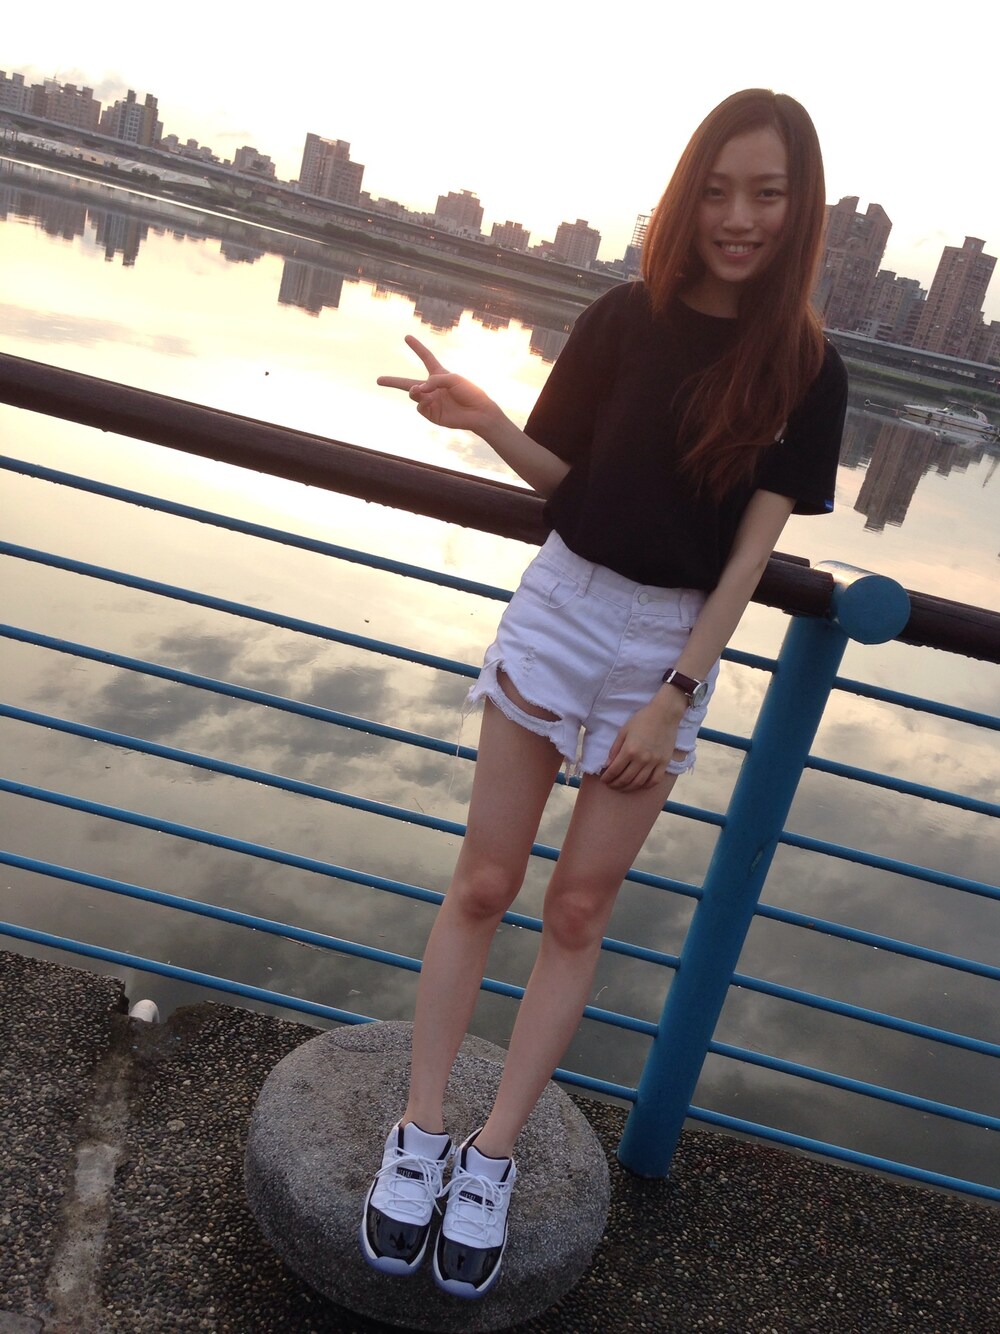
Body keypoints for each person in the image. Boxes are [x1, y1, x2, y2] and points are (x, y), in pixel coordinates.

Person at [360, 88, 847, 1299]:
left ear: (799, 210)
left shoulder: (807, 368)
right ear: (687, 196)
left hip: (670, 644)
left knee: (578, 909)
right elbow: (566, 481)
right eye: (718, 190)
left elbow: (750, 556)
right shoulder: (623, 317)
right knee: (484, 882)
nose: (739, 217)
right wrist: (483, 419)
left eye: (767, 193)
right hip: (563, 603)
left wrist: (676, 690)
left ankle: (491, 1155)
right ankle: (420, 1128)